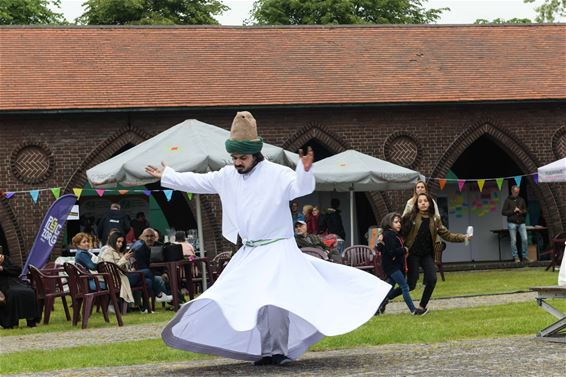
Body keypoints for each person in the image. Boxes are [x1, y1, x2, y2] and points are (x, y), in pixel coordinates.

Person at [146, 111, 389, 365]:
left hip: (278, 250)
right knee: (251, 299)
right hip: (250, 252)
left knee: (277, 301)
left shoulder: (277, 173)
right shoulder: (227, 175)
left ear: (255, 154)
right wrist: (168, 176)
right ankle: (267, 351)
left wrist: (305, 172)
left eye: (242, 157)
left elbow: (300, 188)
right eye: (234, 157)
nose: (238, 162)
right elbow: (199, 181)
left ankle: (279, 351)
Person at [401, 193, 470, 315]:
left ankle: (422, 306)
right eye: (420, 201)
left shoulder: (435, 219)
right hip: (412, 253)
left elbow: (447, 235)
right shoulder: (411, 216)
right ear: (417, 204)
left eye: (425, 201)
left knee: (432, 279)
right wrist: (383, 234)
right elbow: (397, 227)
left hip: (426, 254)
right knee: (411, 285)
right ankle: (387, 297)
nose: (423, 203)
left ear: (430, 203)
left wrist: (463, 237)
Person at [376, 213, 423, 316]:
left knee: (388, 288)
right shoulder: (389, 235)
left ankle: (377, 307)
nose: (399, 224)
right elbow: (392, 252)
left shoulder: (391, 234)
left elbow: (381, 248)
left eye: (399, 222)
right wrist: (404, 249)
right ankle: (413, 310)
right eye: (396, 222)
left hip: (393, 265)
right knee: (404, 286)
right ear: (389, 223)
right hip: (392, 266)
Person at [99, 231, 153, 312]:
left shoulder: (119, 252)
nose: (120, 244)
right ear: (113, 240)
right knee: (147, 271)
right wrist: (124, 258)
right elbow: (112, 269)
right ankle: (159, 294)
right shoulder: (108, 252)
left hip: (124, 277)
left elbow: (123, 268)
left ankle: (145, 308)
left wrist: (129, 267)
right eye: (118, 241)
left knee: (147, 282)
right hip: (117, 280)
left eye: (122, 242)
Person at [129, 228, 172, 303]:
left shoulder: (161, 246)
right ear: (142, 237)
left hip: (162, 272)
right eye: (147, 236)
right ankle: (172, 301)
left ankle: (174, 298)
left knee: (172, 277)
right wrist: (160, 274)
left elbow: (167, 261)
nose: (149, 238)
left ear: (155, 237)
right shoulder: (139, 251)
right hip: (149, 275)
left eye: (152, 236)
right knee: (158, 279)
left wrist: (165, 272)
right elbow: (143, 269)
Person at [0, 251, 39, 329]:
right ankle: (12, 322)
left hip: (16, 283)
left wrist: (3, 268)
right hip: (3, 285)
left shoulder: (6, 259)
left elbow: (17, 270)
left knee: (29, 292)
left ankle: (30, 320)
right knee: (12, 294)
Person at [501, 185, 531, 263]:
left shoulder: (521, 200)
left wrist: (520, 211)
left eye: (517, 192)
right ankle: (516, 257)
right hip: (512, 223)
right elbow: (503, 212)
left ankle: (525, 256)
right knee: (513, 240)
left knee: (525, 239)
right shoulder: (507, 200)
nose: (516, 193)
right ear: (512, 191)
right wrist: (513, 211)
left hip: (521, 222)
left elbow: (526, 210)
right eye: (515, 192)